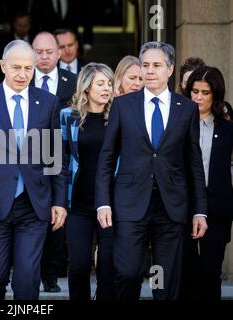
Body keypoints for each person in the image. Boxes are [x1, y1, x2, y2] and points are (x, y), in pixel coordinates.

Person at [0, 40, 68, 300]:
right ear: (3, 66)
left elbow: (56, 157)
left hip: (34, 204)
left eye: (28, 68)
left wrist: (60, 201)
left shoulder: (48, 102)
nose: (22, 74)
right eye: (16, 67)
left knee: (27, 279)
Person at [95, 41, 208, 300]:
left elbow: (194, 162)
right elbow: (107, 157)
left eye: (156, 65)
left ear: (169, 70)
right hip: (130, 202)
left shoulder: (187, 108)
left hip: (171, 205)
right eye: (145, 65)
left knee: (165, 280)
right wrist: (103, 202)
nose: (149, 71)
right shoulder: (124, 105)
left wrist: (199, 210)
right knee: (127, 272)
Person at [60, 63, 116, 300]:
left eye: (110, 83)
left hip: (111, 204)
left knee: (107, 265)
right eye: (101, 83)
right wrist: (59, 201)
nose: (107, 89)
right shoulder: (68, 116)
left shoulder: (117, 116)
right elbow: (60, 161)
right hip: (78, 204)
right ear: (86, 87)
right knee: (80, 265)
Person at [180, 66, 233, 300]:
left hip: (217, 207)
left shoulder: (228, 126)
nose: (199, 97)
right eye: (194, 91)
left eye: (205, 92)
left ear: (216, 94)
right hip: (182, 206)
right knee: (185, 271)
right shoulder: (178, 122)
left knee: (210, 272)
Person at [31, 31, 77, 292]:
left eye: (50, 51)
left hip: (63, 159)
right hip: (31, 158)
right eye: (39, 51)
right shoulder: (23, 80)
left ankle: (50, 275)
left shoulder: (73, 81)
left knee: (57, 216)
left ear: (59, 53)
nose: (45, 56)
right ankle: (29, 272)